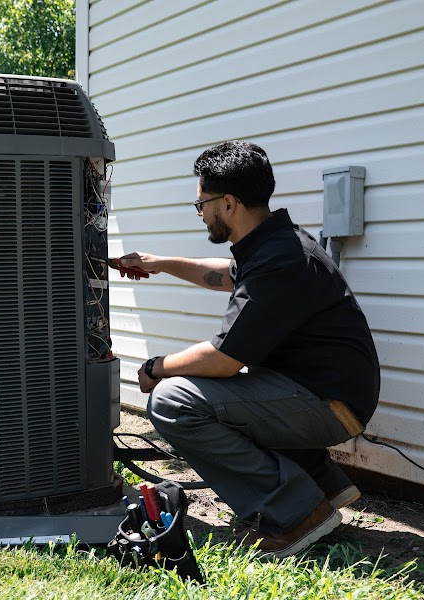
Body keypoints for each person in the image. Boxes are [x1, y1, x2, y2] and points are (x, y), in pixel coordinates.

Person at [118, 140, 380, 558]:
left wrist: (156, 367)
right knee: (222, 392)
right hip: (319, 390)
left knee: (173, 401)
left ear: (228, 204)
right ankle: (322, 483)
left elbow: (223, 360)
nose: (200, 212)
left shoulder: (278, 261)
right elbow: (225, 274)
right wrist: (160, 263)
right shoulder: (274, 243)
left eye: (201, 203)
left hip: (328, 405)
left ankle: (296, 514)